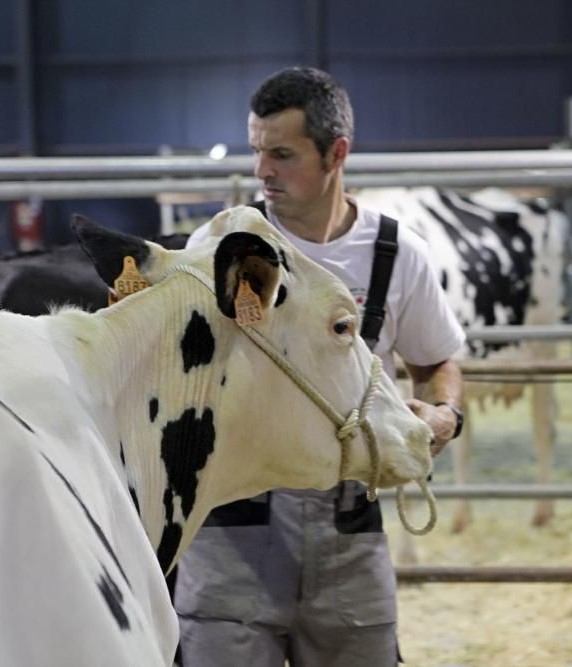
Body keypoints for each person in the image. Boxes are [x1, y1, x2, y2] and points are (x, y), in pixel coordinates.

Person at [173, 67, 466, 666]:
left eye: (281, 154)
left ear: (337, 153)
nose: (261, 172)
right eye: (257, 151)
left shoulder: (395, 254)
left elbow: (438, 361)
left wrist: (442, 416)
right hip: (230, 527)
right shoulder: (221, 245)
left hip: (348, 525)